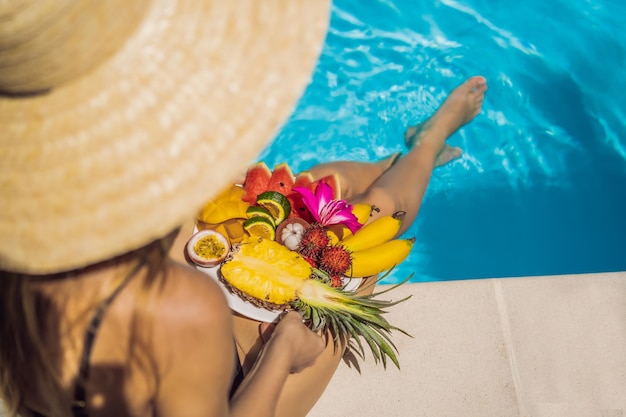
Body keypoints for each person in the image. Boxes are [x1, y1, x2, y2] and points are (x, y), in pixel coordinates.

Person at [0, 2, 487, 417]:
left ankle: (397, 159)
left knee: (311, 189)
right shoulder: (185, 307)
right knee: (380, 214)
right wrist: (284, 353)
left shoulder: (23, 260)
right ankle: (427, 142)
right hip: (233, 388)